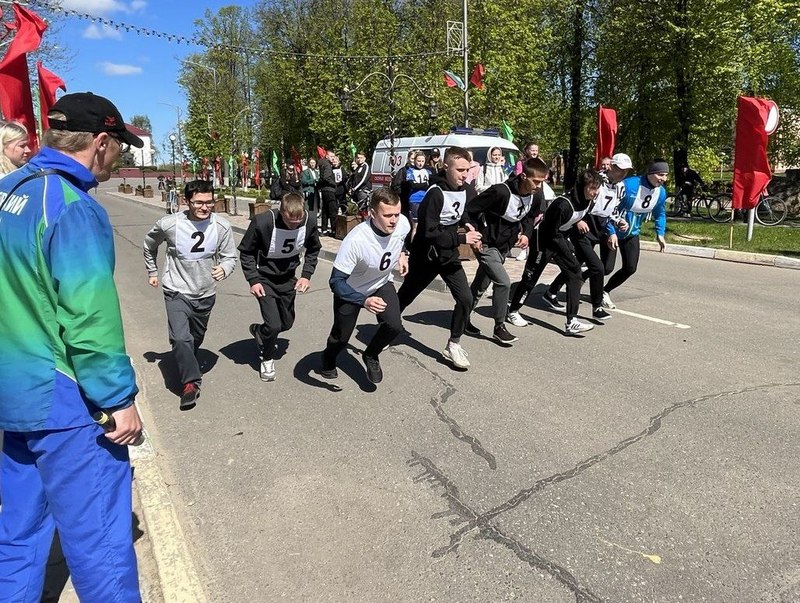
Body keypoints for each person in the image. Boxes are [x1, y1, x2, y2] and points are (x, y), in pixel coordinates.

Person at [0, 92, 144, 602]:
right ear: (100, 142)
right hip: (64, 400)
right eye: (118, 146)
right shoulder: (72, 206)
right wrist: (118, 399)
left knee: (18, 534)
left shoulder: (9, 190)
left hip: (13, 394)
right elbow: (88, 319)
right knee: (100, 545)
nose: (118, 158)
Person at [143, 179, 238, 409]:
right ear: (187, 202)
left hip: (205, 292)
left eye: (209, 202)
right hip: (176, 289)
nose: (205, 207)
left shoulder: (221, 226)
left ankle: (187, 358)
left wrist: (224, 268)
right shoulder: (170, 224)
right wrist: (153, 271)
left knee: (194, 339)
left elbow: (229, 256)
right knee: (180, 338)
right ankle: (190, 384)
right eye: (199, 203)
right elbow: (149, 244)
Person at [396, 146, 481, 370]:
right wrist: (462, 238)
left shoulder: (465, 189)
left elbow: (461, 211)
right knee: (406, 295)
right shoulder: (435, 193)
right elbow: (429, 231)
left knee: (466, 299)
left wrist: (467, 223)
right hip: (427, 255)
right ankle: (388, 326)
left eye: (467, 170)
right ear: (445, 167)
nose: (464, 175)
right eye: (460, 170)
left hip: (448, 255)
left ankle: (453, 344)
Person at [318, 188, 411, 385]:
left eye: (396, 214)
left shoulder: (402, 223)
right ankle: (328, 358)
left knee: (394, 326)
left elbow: (400, 238)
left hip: (381, 283)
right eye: (387, 216)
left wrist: (402, 254)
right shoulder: (356, 240)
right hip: (351, 291)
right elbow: (336, 281)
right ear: (372, 213)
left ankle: (371, 354)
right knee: (341, 337)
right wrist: (364, 301)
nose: (394, 220)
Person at [507, 168, 603, 335]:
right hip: (543, 241)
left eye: (597, 188)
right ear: (582, 186)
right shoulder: (563, 204)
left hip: (558, 239)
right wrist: (568, 250)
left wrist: (577, 227)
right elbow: (552, 233)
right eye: (592, 188)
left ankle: (572, 321)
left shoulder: (588, 201)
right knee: (531, 278)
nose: (595, 192)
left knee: (575, 273)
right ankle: (513, 311)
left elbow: (571, 222)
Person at [464, 157, 549, 344]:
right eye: (535, 181)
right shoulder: (500, 192)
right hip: (486, 243)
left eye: (542, 182)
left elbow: (530, 217)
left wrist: (526, 234)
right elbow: (471, 209)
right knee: (503, 282)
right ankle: (499, 326)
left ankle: (462, 317)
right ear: (523, 176)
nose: (538, 186)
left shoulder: (536, 196)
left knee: (481, 285)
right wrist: (474, 232)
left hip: (504, 245)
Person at [239, 192, 321, 382]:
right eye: (290, 221)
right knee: (274, 325)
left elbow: (314, 249)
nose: (294, 225)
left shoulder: (309, 221)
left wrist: (306, 275)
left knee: (286, 324)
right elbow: (247, 253)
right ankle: (267, 358)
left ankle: (260, 332)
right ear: (281, 212)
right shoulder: (263, 222)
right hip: (264, 279)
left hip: (288, 278)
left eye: (298, 221)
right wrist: (253, 280)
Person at [544, 153, 632, 320]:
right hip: (584, 227)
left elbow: (612, 210)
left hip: (601, 227)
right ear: (612, 166)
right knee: (597, 267)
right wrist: (578, 220)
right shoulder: (596, 180)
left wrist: (618, 222)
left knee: (590, 265)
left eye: (626, 171)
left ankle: (551, 291)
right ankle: (597, 307)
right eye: (620, 169)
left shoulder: (620, 187)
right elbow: (575, 198)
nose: (623, 174)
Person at [601, 159, 668, 309]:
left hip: (631, 233)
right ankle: (576, 279)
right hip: (612, 230)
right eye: (660, 175)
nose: (664, 179)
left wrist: (660, 233)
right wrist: (611, 231)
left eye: (665, 175)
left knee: (630, 268)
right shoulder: (629, 185)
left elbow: (660, 213)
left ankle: (605, 291)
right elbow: (610, 208)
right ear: (650, 173)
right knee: (605, 268)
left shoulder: (661, 192)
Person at [401, 150, 432, 239]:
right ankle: (413, 245)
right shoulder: (410, 171)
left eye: (422, 161)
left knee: (425, 224)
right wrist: (425, 185)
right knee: (416, 226)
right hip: (415, 200)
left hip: (426, 199)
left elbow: (431, 184)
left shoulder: (428, 171)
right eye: (418, 161)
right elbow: (412, 185)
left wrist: (422, 186)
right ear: (414, 161)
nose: (420, 163)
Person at [317, 151, 337, 235]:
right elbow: (326, 177)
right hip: (330, 190)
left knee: (325, 210)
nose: (333, 158)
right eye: (331, 156)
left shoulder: (322, 164)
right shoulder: (327, 165)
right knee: (333, 210)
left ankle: (324, 229)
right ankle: (334, 230)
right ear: (327, 156)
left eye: (334, 156)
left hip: (324, 190)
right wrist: (334, 184)